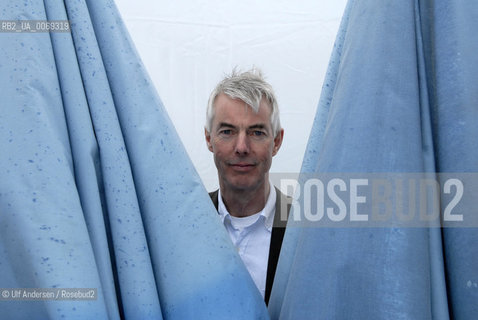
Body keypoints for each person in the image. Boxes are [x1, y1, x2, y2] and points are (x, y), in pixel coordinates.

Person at [204, 68, 290, 304]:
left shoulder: (305, 230)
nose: (241, 147)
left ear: (276, 142)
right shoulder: (184, 225)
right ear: (208, 139)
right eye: (227, 131)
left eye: (256, 132)